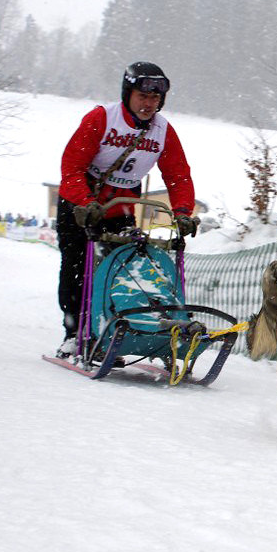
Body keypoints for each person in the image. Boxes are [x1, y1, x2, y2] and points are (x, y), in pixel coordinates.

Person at [54, 61, 198, 359]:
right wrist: (85, 202)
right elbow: (71, 167)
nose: (149, 104)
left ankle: (118, 330)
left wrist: (183, 212)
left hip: (120, 208)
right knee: (77, 269)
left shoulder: (162, 131)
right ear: (128, 94)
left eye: (155, 99)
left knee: (124, 268)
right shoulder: (101, 119)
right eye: (143, 97)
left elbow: (178, 174)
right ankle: (75, 334)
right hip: (80, 205)